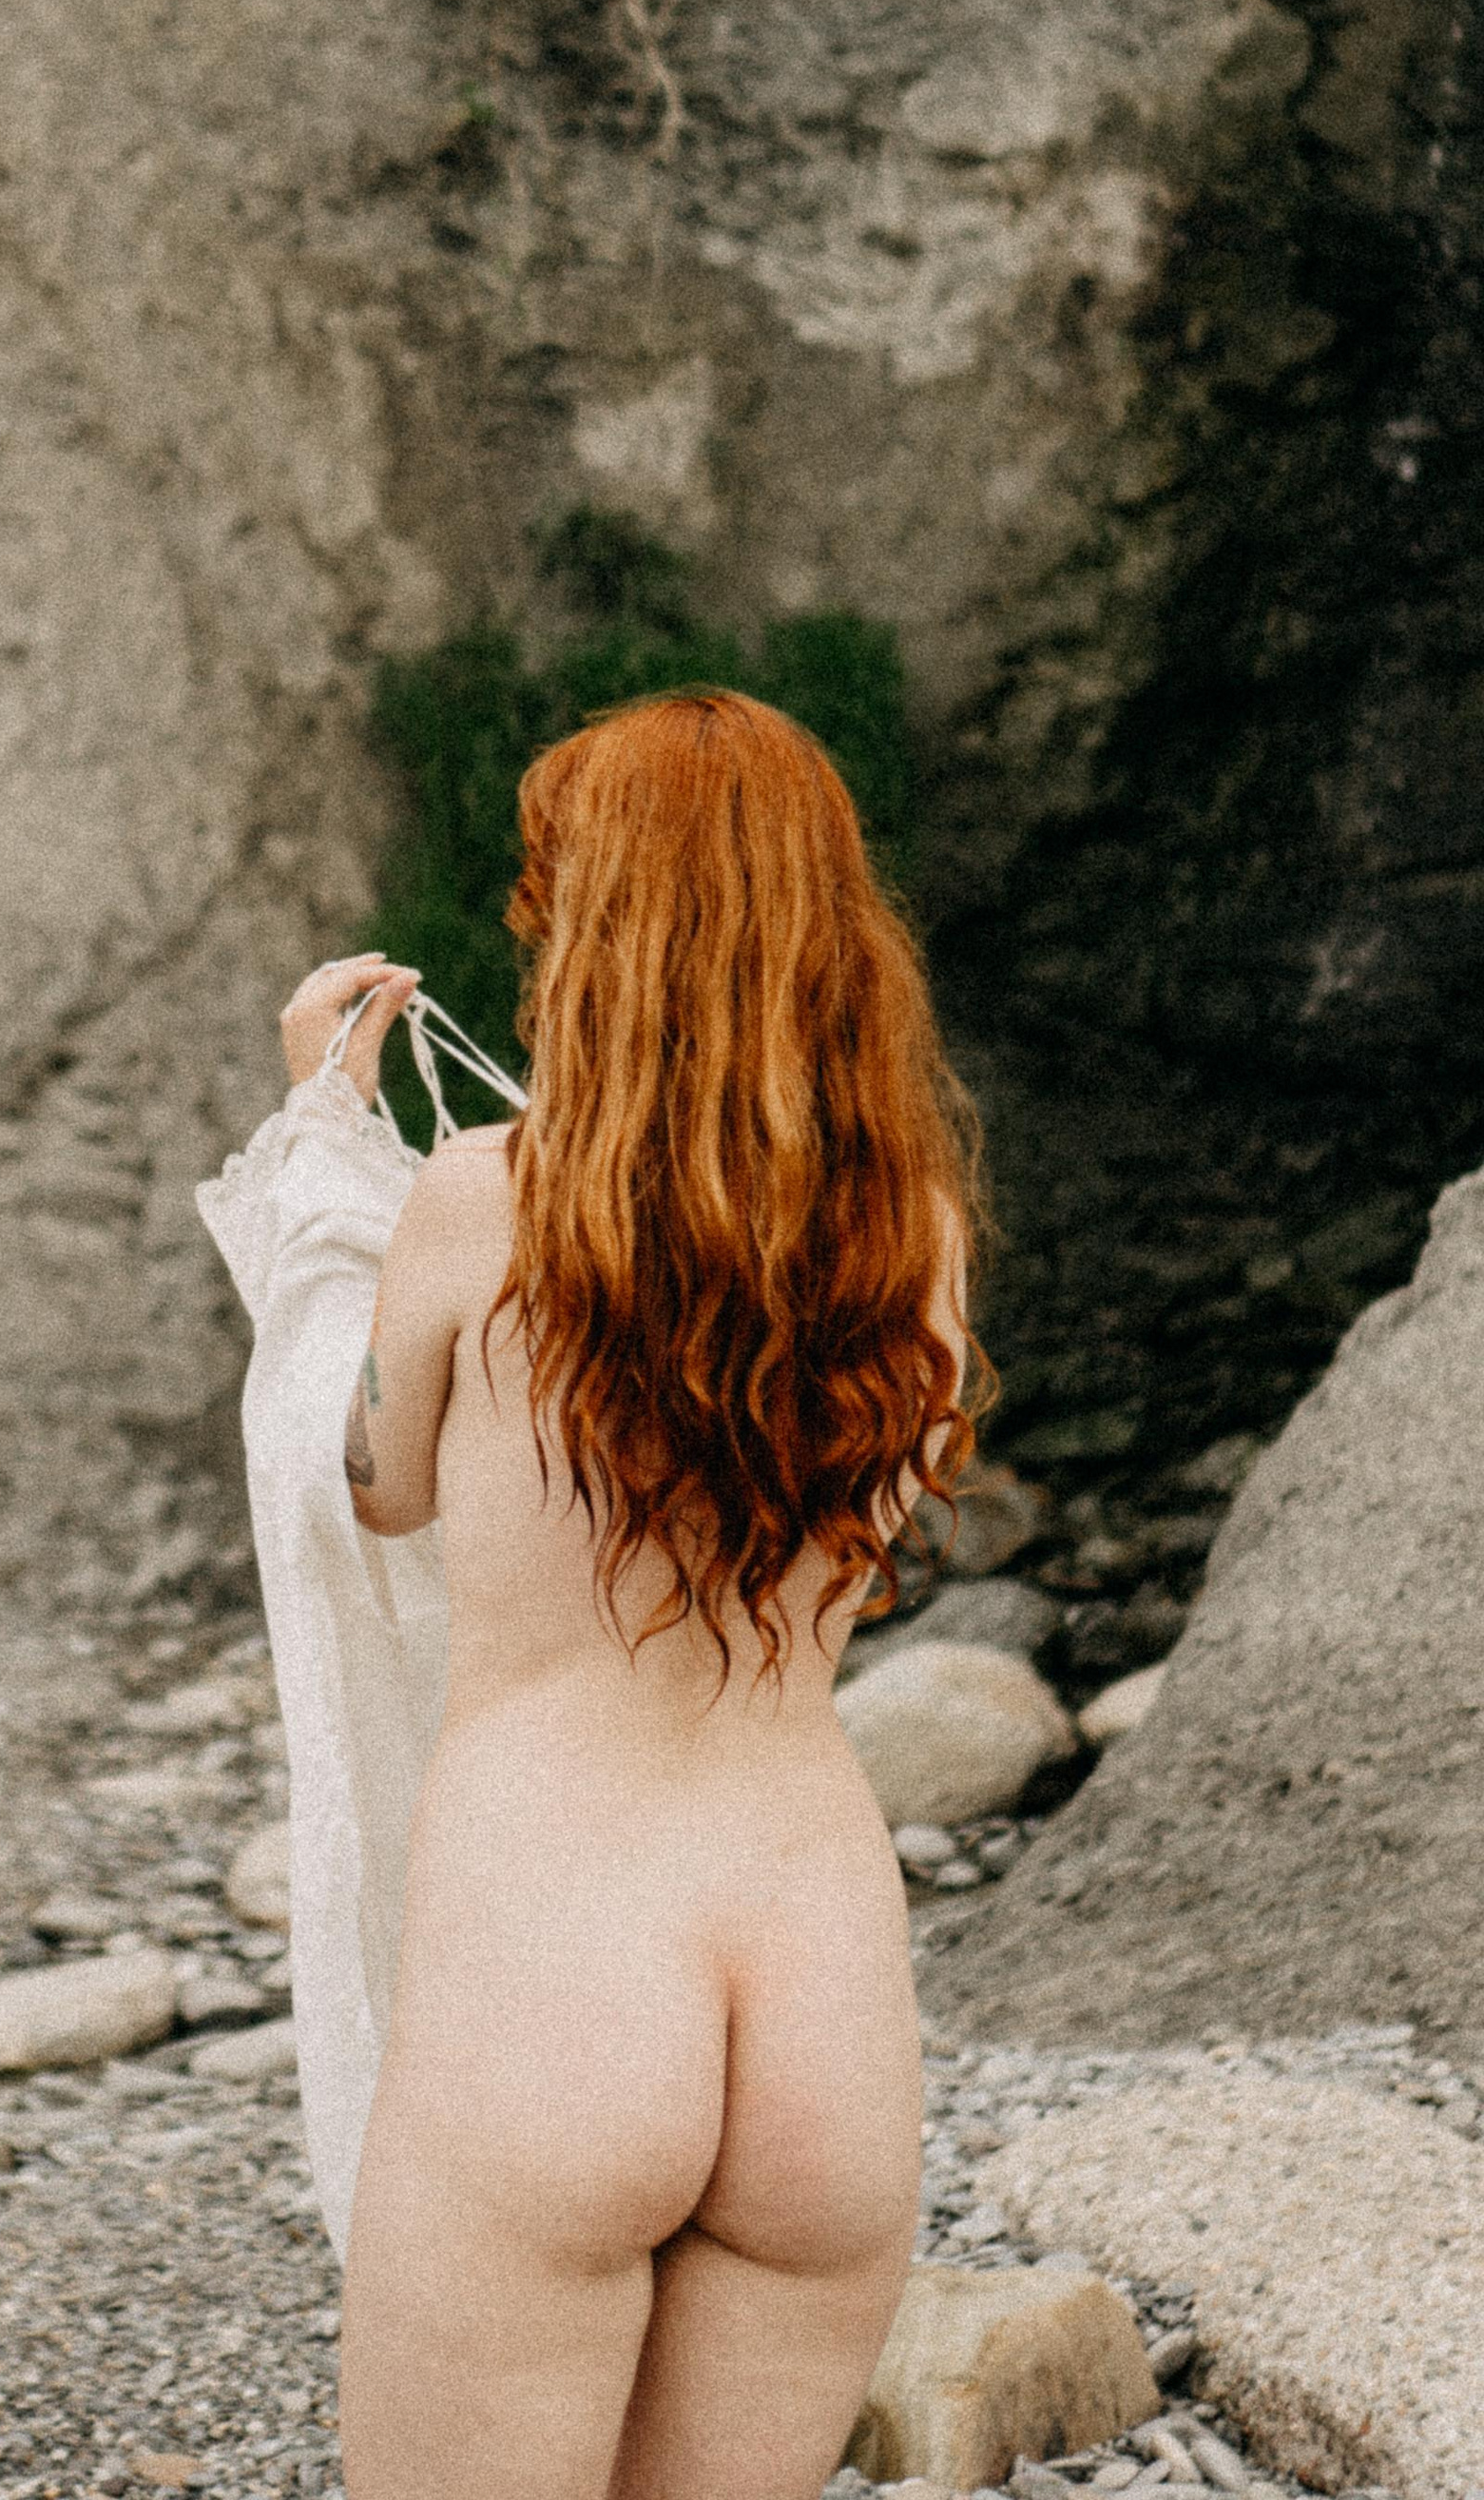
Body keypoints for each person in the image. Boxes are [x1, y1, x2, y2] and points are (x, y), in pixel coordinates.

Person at [256, 689, 985, 2500]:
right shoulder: (917, 1236)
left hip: (552, 1970)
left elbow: (373, 1482)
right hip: (818, 1991)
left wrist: (314, 1163)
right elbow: (867, 1540)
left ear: (597, 937)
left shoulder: (479, 1202)